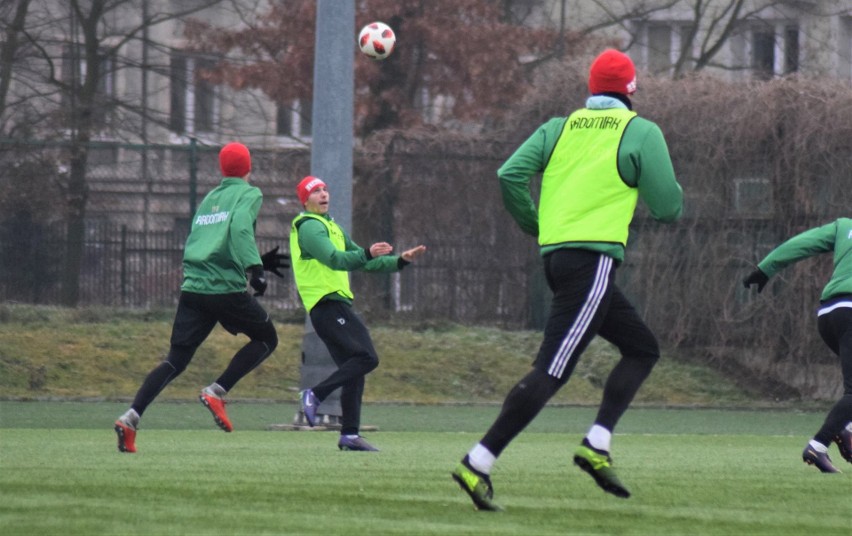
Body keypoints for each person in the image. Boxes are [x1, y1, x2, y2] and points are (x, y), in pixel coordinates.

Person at [451, 49, 683, 511]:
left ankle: (596, 444)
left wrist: (535, 225)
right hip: (593, 261)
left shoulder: (558, 127)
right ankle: (477, 462)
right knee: (552, 369)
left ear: (591, 88)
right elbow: (668, 208)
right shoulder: (641, 131)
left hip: (558, 261)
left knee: (641, 348)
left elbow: (509, 174)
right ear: (631, 90)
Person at [114, 142, 289, 453]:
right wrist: (255, 269)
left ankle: (130, 418)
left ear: (222, 169)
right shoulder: (250, 193)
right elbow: (238, 230)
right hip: (224, 289)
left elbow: (209, 242)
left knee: (174, 361)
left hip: (194, 289)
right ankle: (216, 391)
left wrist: (258, 259)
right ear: (248, 167)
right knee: (266, 339)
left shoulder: (210, 198)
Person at [290, 175, 426, 451]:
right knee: (366, 357)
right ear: (305, 200)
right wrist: (366, 252)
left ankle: (349, 434)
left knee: (354, 368)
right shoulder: (309, 228)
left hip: (336, 305)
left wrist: (400, 261)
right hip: (325, 305)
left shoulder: (332, 227)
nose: (324, 194)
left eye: (325, 189)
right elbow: (336, 259)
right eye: (316, 191)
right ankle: (314, 394)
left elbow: (363, 262)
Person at [743, 218, 852, 473]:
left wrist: (765, 269)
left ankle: (846, 429)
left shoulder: (844, 226)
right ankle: (818, 446)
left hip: (829, 314)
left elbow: (802, 243)